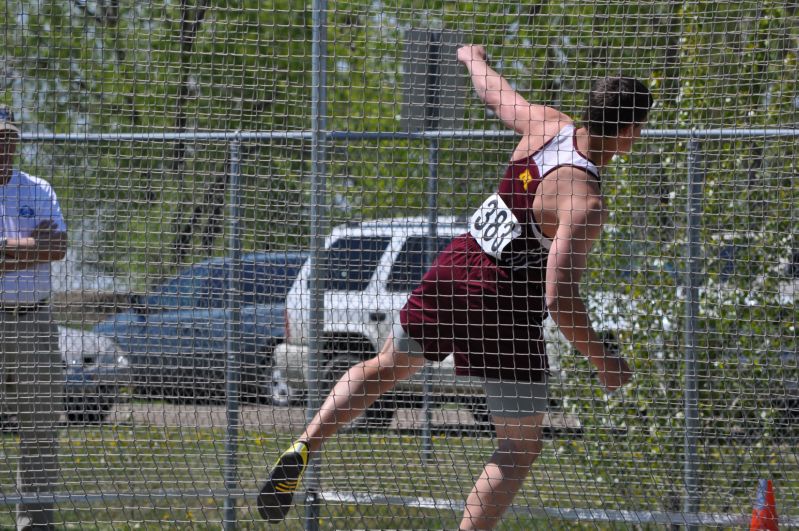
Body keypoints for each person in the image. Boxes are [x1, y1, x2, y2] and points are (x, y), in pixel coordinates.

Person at [257, 45, 652, 529]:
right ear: (630, 133)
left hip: (457, 265)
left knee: (384, 365)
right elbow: (559, 299)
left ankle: (305, 443)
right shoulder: (585, 201)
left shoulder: (548, 125)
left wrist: (472, 61)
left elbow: (497, 96)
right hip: (504, 302)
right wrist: (604, 361)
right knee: (519, 446)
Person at [0, 105, 68, 530]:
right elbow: (42, 245)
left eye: (10, 138)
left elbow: (58, 246)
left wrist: (8, 248)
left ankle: (35, 524)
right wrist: (32, 244)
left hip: (34, 321)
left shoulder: (38, 189)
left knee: (40, 428)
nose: (4, 146)